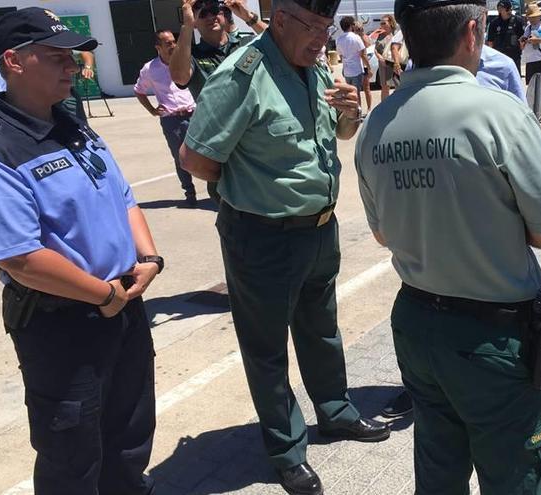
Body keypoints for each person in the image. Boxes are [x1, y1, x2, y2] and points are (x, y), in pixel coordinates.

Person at [356, 0, 541, 492]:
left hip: (417, 324)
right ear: (473, 33)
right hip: (493, 336)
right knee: (515, 476)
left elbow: (383, 234)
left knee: (438, 469)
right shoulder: (500, 114)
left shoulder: (376, 126)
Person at [178, 0, 390, 493]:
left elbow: (331, 137)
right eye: (311, 26)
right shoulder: (242, 74)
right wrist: (253, 190)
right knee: (267, 348)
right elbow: (197, 158)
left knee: (322, 330)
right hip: (263, 236)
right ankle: (286, 448)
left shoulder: (312, 68)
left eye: (326, 26)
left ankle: (335, 412)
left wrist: (349, 115)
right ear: (279, 18)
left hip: (318, 230)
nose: (322, 36)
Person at [0, 7, 163, 493]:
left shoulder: (72, 125)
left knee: (131, 432)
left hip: (124, 304)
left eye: (73, 58)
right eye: (57, 58)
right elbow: (21, 257)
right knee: (72, 457)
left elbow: (123, 195)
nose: (73, 67)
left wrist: (150, 260)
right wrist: (103, 296)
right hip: (65, 324)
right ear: (13, 61)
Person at [379, 38, 526, 421]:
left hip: (488, 226)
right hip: (432, 233)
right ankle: (424, 386)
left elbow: (525, 141)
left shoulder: (502, 68)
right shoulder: (416, 70)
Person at [170, 0, 267, 201]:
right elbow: (179, 76)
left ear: (224, 14)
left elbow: (281, 44)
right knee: (233, 216)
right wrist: (187, 25)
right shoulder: (193, 55)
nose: (210, 16)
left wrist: (248, 17)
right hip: (221, 146)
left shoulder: (246, 43)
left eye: (215, 10)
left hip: (259, 139)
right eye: (202, 14)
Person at [134, 29, 198, 206]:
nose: (173, 45)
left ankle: (215, 192)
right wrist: (152, 110)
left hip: (195, 115)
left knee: (206, 153)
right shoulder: (150, 69)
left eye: (174, 41)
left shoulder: (187, 61)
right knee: (180, 158)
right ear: (158, 47)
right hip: (172, 121)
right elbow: (139, 91)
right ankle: (190, 193)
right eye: (168, 43)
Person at [336, 17, 370, 112]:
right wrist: (369, 67)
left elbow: (341, 55)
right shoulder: (356, 37)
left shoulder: (338, 39)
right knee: (357, 93)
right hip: (356, 70)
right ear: (351, 25)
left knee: (350, 93)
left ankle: (353, 111)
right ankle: (358, 112)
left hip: (347, 70)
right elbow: (363, 54)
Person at [486, 0, 525, 75]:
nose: (509, 11)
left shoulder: (518, 21)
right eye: (507, 9)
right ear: (500, 10)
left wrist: (521, 46)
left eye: (510, 8)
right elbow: (490, 41)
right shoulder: (494, 23)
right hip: (499, 57)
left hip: (514, 57)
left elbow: (523, 38)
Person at [370, 15, 398, 101]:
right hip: (383, 64)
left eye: (384, 23)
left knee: (398, 85)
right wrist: (379, 57)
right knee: (385, 87)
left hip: (395, 63)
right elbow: (375, 50)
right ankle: (384, 107)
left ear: (390, 23)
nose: (382, 25)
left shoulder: (396, 34)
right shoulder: (380, 35)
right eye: (381, 23)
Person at [353, 21, 375, 111]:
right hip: (360, 65)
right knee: (361, 89)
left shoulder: (364, 38)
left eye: (360, 29)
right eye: (357, 29)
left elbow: (365, 52)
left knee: (365, 88)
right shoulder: (356, 38)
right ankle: (363, 109)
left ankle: (368, 108)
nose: (359, 30)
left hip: (363, 65)